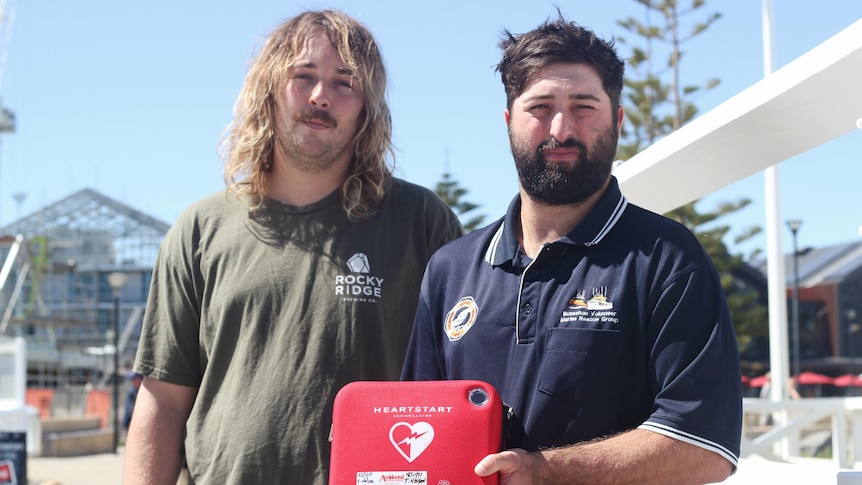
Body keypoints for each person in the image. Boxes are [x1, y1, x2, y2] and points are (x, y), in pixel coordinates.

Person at [123, 10, 463, 484]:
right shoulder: (200, 228)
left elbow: (463, 384)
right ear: (270, 88)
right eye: (303, 77)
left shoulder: (420, 221)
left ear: (367, 106)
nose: (321, 96)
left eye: (345, 83)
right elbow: (163, 397)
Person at [401, 14, 742, 485]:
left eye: (583, 107)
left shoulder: (668, 259)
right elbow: (418, 423)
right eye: (540, 107)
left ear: (618, 119)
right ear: (508, 122)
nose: (561, 128)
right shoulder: (450, 269)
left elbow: (703, 446)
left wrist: (547, 472)